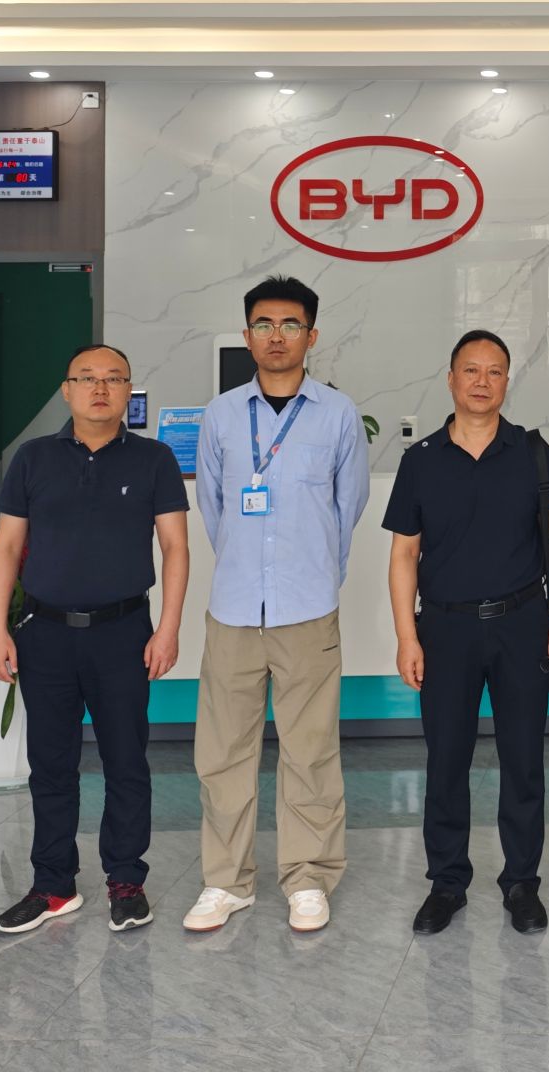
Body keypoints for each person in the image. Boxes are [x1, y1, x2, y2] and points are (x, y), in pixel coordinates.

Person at [184, 277, 371, 935]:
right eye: (263, 324)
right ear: (247, 335)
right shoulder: (221, 415)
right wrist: (248, 563)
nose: (276, 336)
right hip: (234, 609)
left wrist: (313, 570)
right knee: (222, 753)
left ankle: (308, 877)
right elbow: (213, 506)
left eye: (291, 325)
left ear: (311, 336)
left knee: (310, 751)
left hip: (307, 608)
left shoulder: (338, 415)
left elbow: (348, 506)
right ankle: (225, 881)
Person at [0, 344, 190, 934]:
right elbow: (7, 547)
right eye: (87, 378)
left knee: (126, 761)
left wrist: (168, 628)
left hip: (123, 634)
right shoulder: (33, 458)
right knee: (51, 765)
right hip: (45, 634)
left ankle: (126, 881)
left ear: (129, 391)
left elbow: (175, 547)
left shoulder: (153, 459)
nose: (100, 389)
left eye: (113, 379)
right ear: (67, 389)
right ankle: (53, 886)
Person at [385, 330, 549, 936]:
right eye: (470, 370)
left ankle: (522, 882)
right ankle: (447, 883)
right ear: (450, 378)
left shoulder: (532, 451)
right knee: (446, 760)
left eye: (494, 372)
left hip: (523, 624)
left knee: (523, 759)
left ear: (506, 382)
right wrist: (406, 636)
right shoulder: (421, 460)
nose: (481, 381)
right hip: (445, 629)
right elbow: (403, 555)